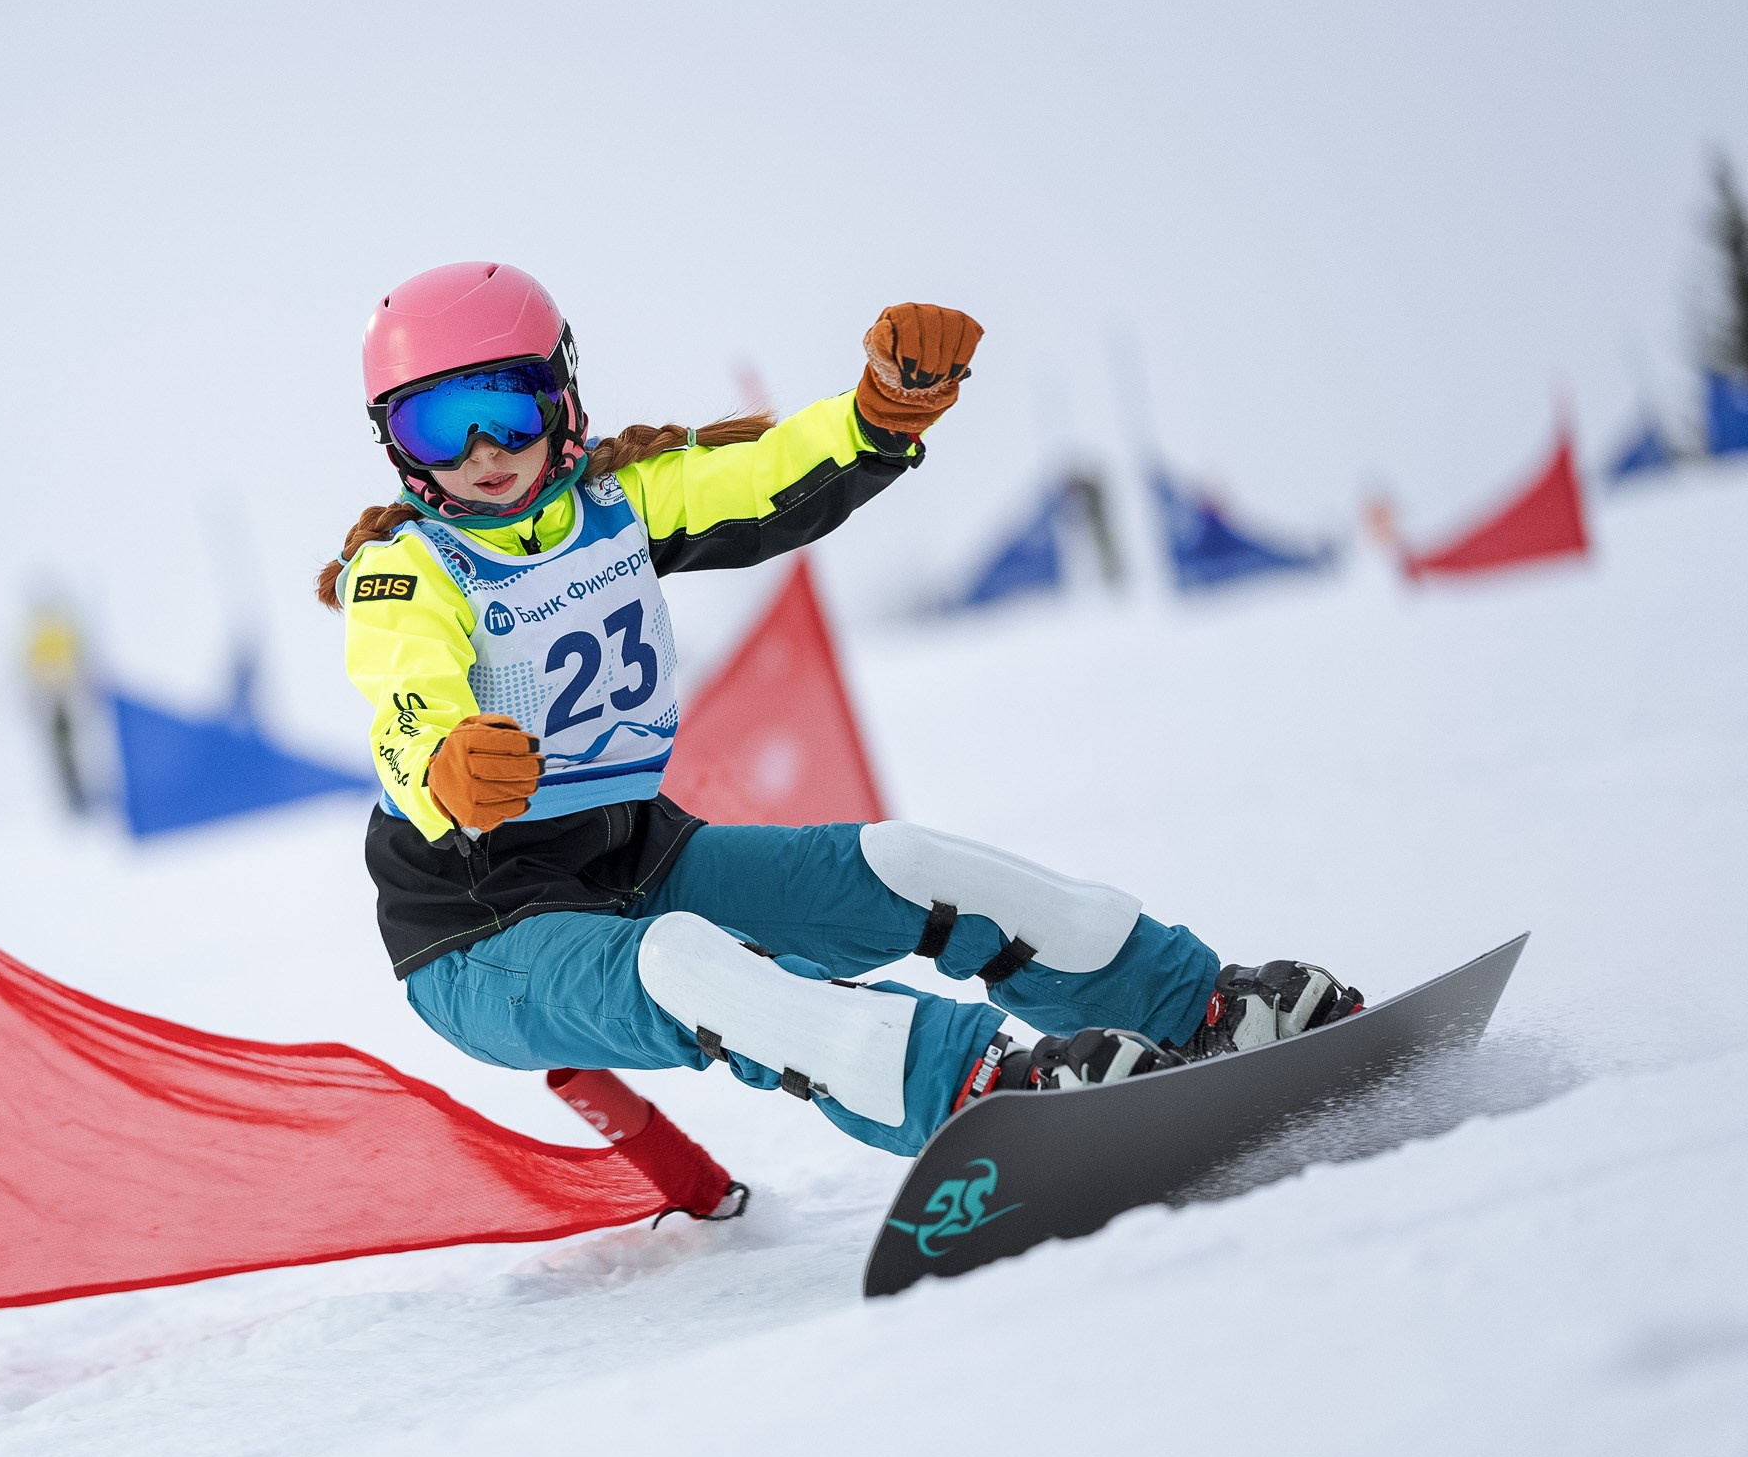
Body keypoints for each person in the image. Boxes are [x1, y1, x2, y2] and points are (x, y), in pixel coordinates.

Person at [319, 262, 1358, 1162]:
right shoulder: (405, 568)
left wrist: (878, 412)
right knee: (692, 966)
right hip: (481, 935)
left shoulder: (616, 503)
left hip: (636, 861)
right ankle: (988, 1097)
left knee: (906, 867)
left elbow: (765, 476)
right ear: (394, 446)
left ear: (564, 397)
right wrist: (448, 760)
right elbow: (403, 700)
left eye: (506, 406)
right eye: (435, 427)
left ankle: (1200, 1011)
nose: (480, 452)